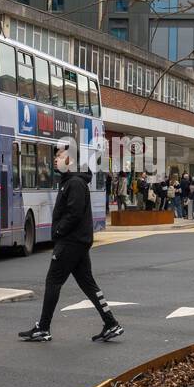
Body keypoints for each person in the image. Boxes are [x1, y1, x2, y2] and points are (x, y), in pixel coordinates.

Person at [19, 146, 123, 343]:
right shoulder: (71, 181)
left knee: (53, 281)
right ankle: (111, 323)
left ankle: (43, 328)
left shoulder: (74, 183)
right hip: (77, 241)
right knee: (87, 283)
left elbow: (74, 213)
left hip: (71, 241)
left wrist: (58, 232)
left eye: (60, 156)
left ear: (71, 161)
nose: (56, 159)